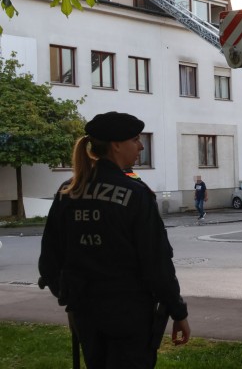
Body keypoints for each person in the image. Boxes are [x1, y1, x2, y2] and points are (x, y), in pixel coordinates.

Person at [38, 111, 190, 369]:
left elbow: (49, 260)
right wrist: (178, 312)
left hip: (85, 313)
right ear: (116, 145)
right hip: (129, 313)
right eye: (135, 139)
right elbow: (157, 263)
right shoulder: (135, 194)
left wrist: (70, 298)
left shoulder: (68, 191)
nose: (141, 146)